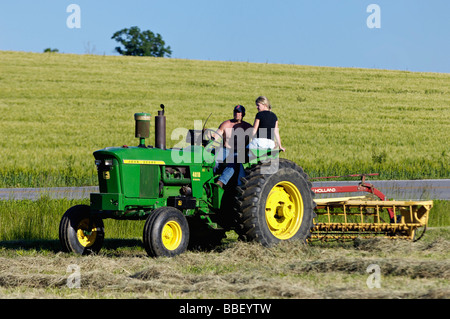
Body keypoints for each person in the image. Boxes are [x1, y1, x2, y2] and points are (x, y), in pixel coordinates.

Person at [216, 105, 252, 188]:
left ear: (243, 114)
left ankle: (222, 182)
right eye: (235, 112)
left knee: (237, 165)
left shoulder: (248, 126)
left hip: (238, 152)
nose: (237, 114)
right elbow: (216, 135)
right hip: (225, 150)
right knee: (214, 162)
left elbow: (257, 137)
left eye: (239, 112)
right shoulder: (226, 124)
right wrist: (210, 136)